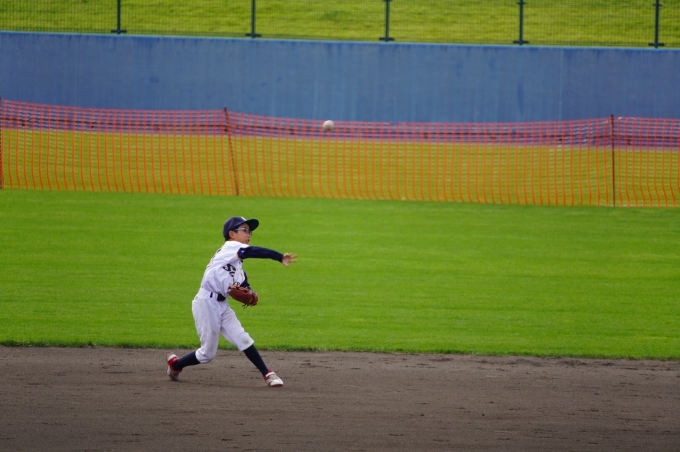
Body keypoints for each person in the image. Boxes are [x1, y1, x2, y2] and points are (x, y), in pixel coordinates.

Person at [166, 216, 297, 387]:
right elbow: (252, 251)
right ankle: (175, 365)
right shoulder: (230, 248)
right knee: (207, 354)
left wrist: (251, 293)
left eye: (250, 232)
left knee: (242, 338)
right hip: (206, 304)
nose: (248, 234)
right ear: (232, 234)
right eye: (244, 230)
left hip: (222, 306)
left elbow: (244, 284)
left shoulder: (238, 267)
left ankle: (268, 374)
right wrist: (278, 257)